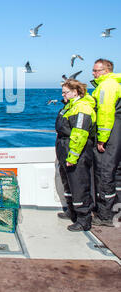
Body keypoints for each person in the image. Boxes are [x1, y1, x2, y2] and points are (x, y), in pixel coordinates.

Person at [55, 79, 96, 231]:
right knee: (68, 182)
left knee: (79, 184)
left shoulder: (82, 108)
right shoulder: (69, 106)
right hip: (63, 148)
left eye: (65, 92)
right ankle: (72, 211)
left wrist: (73, 157)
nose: (63, 95)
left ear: (75, 92)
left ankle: (84, 219)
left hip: (76, 152)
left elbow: (79, 134)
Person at [91, 58, 121, 226]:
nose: (94, 74)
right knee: (115, 172)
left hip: (110, 134)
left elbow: (105, 112)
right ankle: (115, 211)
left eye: (97, 71)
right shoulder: (114, 84)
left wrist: (102, 138)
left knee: (105, 173)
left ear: (107, 71)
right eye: (94, 71)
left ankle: (105, 216)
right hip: (117, 132)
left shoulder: (106, 86)